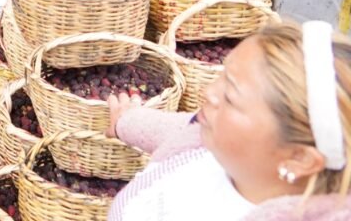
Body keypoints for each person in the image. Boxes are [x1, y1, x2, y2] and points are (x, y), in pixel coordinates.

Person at [107, 20, 351, 220]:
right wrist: (127, 121)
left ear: (300, 158)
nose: (209, 92)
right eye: (222, 75)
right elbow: (181, 131)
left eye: (231, 96)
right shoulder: (208, 144)